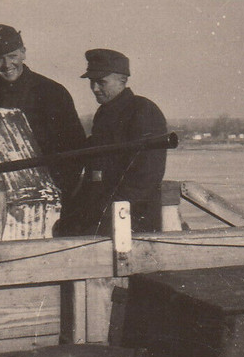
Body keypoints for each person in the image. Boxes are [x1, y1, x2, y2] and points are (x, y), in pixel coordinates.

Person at [57, 49, 168, 236]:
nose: (94, 88)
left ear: (122, 81)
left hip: (132, 222)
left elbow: (145, 177)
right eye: (92, 82)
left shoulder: (143, 111)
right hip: (104, 217)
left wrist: (104, 213)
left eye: (101, 82)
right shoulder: (105, 114)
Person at [0, 24, 86, 191]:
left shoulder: (52, 92)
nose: (7, 64)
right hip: (4, 188)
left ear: (23, 53)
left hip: (49, 187)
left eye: (12, 56)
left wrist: (61, 192)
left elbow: (74, 150)